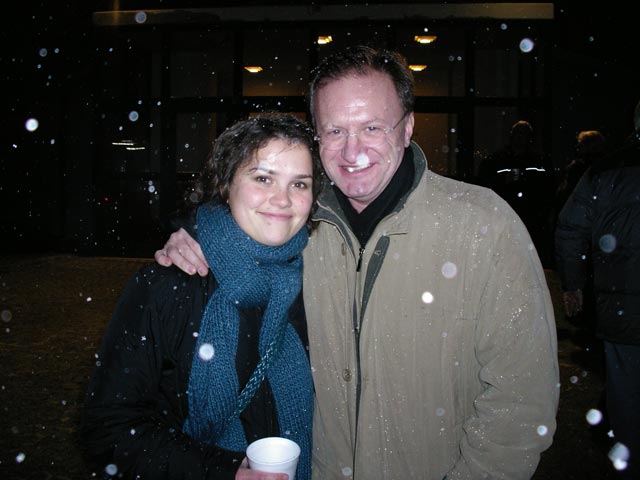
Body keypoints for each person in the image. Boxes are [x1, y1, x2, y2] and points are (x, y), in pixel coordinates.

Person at [156, 46, 559, 479]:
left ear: (407, 128)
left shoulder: (484, 227)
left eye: (372, 127)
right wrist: (196, 233)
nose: (353, 151)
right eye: (334, 131)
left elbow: (521, 402)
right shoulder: (298, 224)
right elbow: (240, 216)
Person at [81, 113, 324, 480]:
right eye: (263, 178)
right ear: (227, 184)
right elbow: (108, 428)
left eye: (300, 184)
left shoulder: (315, 279)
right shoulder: (168, 285)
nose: (282, 200)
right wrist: (221, 471)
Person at [555, 99, 640, 480]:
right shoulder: (604, 169)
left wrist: (573, 283)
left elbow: (571, 228)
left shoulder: (606, 170)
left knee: (626, 388)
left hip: (621, 302)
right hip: (621, 300)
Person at [477, 120, 556, 266]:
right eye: (518, 134)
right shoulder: (497, 159)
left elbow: (548, 185)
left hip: (532, 215)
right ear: (511, 136)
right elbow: (484, 182)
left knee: (530, 254)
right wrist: (503, 180)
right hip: (505, 212)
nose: (520, 138)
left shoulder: (539, 160)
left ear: (530, 137)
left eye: (524, 134)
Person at [555, 129, 607, 211]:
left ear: (588, 145)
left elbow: (566, 193)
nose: (577, 147)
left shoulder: (578, 167)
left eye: (581, 144)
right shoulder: (606, 165)